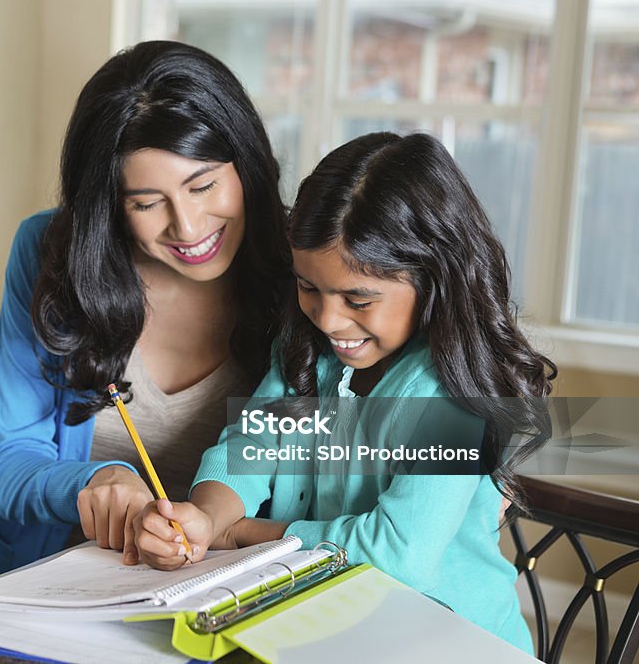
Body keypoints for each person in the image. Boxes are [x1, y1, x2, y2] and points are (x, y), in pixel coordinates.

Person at [132, 132, 556, 653]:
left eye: (359, 298)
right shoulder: (305, 347)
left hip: (455, 645)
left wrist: (242, 535)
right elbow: (248, 452)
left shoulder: (451, 396)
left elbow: (397, 555)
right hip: (338, 631)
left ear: (434, 280)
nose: (328, 319)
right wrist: (204, 518)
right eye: (309, 287)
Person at [0, 40, 293, 589]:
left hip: (225, 586)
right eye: (147, 203)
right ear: (109, 204)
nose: (189, 226)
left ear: (245, 163)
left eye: (203, 185)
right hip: (39, 583)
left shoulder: (307, 271)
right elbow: (10, 464)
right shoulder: (49, 251)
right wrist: (94, 481)